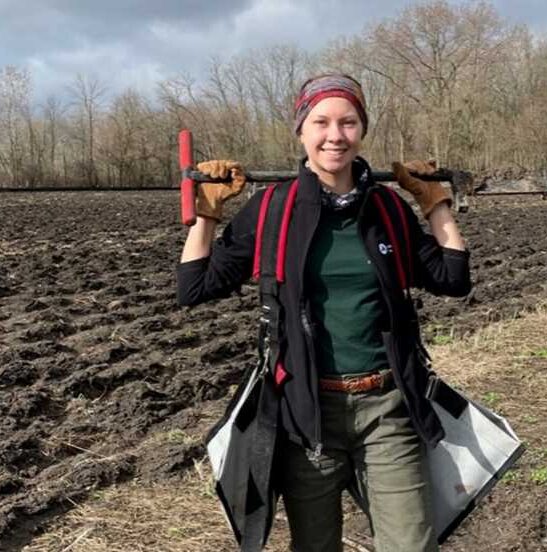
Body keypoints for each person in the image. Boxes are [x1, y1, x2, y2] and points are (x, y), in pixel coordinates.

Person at [177, 73, 471, 552]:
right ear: (301, 130)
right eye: (321, 122)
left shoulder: (388, 208)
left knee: (413, 545)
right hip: (304, 412)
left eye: (348, 122)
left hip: (388, 407)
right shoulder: (273, 209)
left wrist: (435, 202)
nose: (335, 135)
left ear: (362, 130)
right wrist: (207, 215)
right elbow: (195, 286)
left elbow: (453, 279)